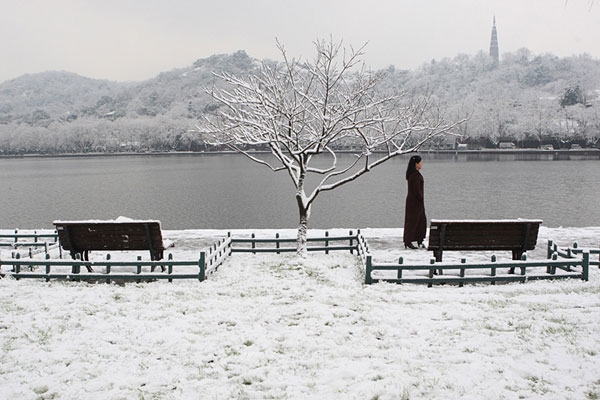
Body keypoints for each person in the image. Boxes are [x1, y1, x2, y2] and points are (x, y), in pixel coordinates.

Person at [403, 155, 427, 249]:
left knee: (419, 221)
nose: (422, 164)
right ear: (416, 164)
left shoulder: (413, 174)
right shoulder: (415, 175)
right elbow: (417, 190)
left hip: (413, 202)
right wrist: (421, 198)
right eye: (420, 162)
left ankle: (418, 239)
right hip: (415, 202)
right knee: (414, 221)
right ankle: (409, 240)